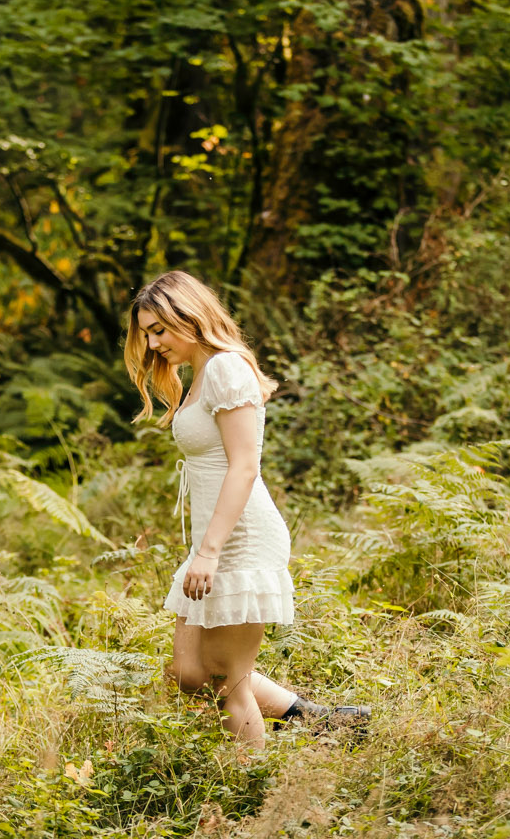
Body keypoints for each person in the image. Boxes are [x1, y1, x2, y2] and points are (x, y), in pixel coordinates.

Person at [124, 270, 369, 743]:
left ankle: (249, 802)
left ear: (191, 316)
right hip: (214, 536)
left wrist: (210, 551)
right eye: (146, 333)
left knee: (226, 679)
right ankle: (316, 718)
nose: (153, 344)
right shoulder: (199, 375)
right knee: (187, 674)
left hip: (240, 538)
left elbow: (244, 467)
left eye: (159, 330)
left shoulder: (225, 368)